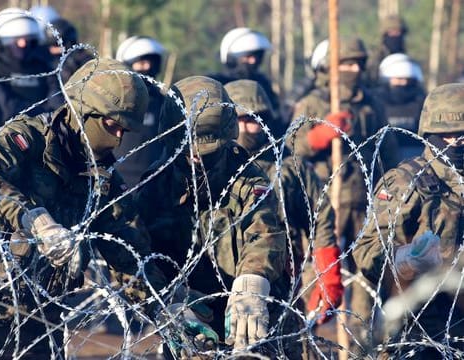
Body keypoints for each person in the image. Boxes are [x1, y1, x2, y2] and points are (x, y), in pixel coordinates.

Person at [0, 58, 167, 358]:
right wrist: (35, 221)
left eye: (124, 131)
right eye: (111, 125)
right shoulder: (27, 139)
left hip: (38, 323)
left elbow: (129, 250)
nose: (118, 139)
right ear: (83, 110)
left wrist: (167, 305)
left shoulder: (101, 180)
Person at [136, 76, 299, 358]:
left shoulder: (247, 177)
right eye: (191, 148)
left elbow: (264, 232)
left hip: (251, 315)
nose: (198, 157)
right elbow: (138, 253)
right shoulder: (155, 184)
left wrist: (252, 281)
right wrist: (169, 303)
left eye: (208, 148)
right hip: (191, 317)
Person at [290, 36, 399, 356]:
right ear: (329, 67)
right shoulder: (313, 103)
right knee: (321, 280)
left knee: (366, 280)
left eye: (357, 65)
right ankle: (314, 346)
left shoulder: (372, 103)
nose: (352, 70)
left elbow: (388, 150)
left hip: (364, 203)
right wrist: (319, 136)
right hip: (325, 204)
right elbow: (292, 147)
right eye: (345, 64)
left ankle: (359, 347)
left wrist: (389, 190)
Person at [353, 83, 464, 359]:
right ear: (430, 134)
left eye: (463, 136)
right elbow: (367, 249)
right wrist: (406, 259)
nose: (456, 143)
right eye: (447, 136)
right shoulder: (406, 181)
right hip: (419, 325)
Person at [224, 79, 342, 329]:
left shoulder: (287, 167)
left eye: (254, 120)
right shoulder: (212, 170)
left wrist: (327, 275)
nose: (247, 128)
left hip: (280, 282)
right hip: (221, 277)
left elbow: (319, 217)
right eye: (240, 119)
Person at [0, 7, 60, 120]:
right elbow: (6, 106)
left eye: (27, 38)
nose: (22, 44)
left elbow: (57, 101)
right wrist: (42, 114)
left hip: (44, 130)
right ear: (1, 41)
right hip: (2, 132)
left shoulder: (43, 66)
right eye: (15, 39)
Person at [207, 27, 287, 137]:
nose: (253, 61)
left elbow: (275, 119)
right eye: (248, 56)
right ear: (232, 58)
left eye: (257, 57)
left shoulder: (263, 84)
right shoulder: (216, 84)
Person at [114, 36, 167, 187]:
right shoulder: (116, 101)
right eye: (141, 63)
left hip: (154, 181)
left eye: (152, 63)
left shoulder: (163, 102)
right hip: (120, 181)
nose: (147, 68)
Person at [373, 53, 426, 161]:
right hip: (383, 158)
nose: (404, 83)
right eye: (399, 79)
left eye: (408, 79)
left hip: (417, 160)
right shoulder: (375, 101)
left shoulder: (423, 102)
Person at [44, 17, 93, 83]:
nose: (53, 49)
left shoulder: (81, 58)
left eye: (56, 45)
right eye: (51, 45)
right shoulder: (42, 59)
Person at [366, 15, 409, 87]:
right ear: (385, 35)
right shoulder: (375, 58)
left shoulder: (406, 59)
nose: (395, 36)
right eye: (391, 32)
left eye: (398, 32)